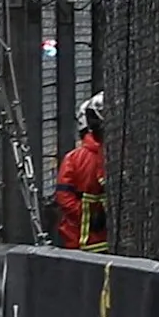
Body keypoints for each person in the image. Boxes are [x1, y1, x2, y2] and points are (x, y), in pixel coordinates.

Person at [52, 93, 108, 251]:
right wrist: (91, 215)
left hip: (79, 239)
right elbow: (64, 196)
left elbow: (64, 197)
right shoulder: (77, 158)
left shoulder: (74, 158)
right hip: (83, 237)